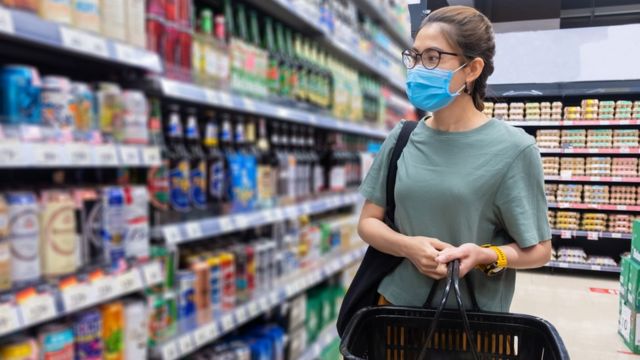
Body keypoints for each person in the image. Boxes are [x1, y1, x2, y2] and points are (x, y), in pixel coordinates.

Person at [357, 5, 552, 311]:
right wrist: (408, 247)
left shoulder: (515, 149)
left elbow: (540, 250)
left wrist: (487, 256)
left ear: (472, 69)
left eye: (433, 58)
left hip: (470, 325)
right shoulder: (403, 137)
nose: (418, 69)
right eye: (415, 57)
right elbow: (368, 222)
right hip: (393, 312)